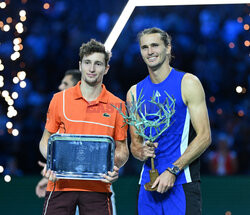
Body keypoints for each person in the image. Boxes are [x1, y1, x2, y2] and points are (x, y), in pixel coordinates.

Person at [127, 27, 211, 215]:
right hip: (148, 185)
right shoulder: (134, 93)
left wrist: (173, 170)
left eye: (155, 45)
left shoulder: (188, 83)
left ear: (168, 48)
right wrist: (141, 151)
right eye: (144, 47)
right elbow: (135, 145)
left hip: (181, 182)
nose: (150, 51)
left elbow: (205, 137)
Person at [39, 39, 129, 215]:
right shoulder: (59, 99)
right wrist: (51, 162)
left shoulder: (118, 105)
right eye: (87, 63)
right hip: (60, 186)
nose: (92, 69)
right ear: (80, 66)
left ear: (106, 68)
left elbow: (123, 150)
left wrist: (114, 166)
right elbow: (45, 140)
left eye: (98, 64)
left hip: (98, 188)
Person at [35, 69, 81, 198]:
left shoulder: (94, 112)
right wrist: (52, 166)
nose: (60, 87)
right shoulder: (58, 110)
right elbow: (46, 142)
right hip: (64, 186)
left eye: (65, 84)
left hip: (95, 188)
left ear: (77, 85)